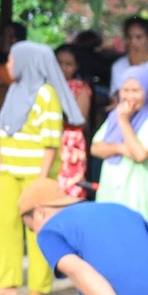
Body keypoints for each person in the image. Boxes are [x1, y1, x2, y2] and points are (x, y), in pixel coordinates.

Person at [0, 42, 80, 295]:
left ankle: (39, 287)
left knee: (38, 228)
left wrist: (42, 181)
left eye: (12, 60)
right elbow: (9, 127)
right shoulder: (15, 89)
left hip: (36, 173)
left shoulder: (46, 94)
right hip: (8, 170)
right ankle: (8, 285)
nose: (8, 65)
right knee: (3, 221)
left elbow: (51, 141)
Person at [92, 65, 148, 223]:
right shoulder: (116, 115)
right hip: (110, 195)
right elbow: (95, 148)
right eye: (125, 90)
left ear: (147, 91)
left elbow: (140, 155)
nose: (129, 96)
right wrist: (120, 148)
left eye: (135, 91)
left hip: (138, 199)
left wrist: (124, 121)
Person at [54, 45, 94, 200]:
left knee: (69, 188)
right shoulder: (46, 85)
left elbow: (80, 120)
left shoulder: (80, 87)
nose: (63, 68)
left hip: (70, 144)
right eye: (59, 63)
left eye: (68, 64)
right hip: (49, 139)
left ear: (76, 67)